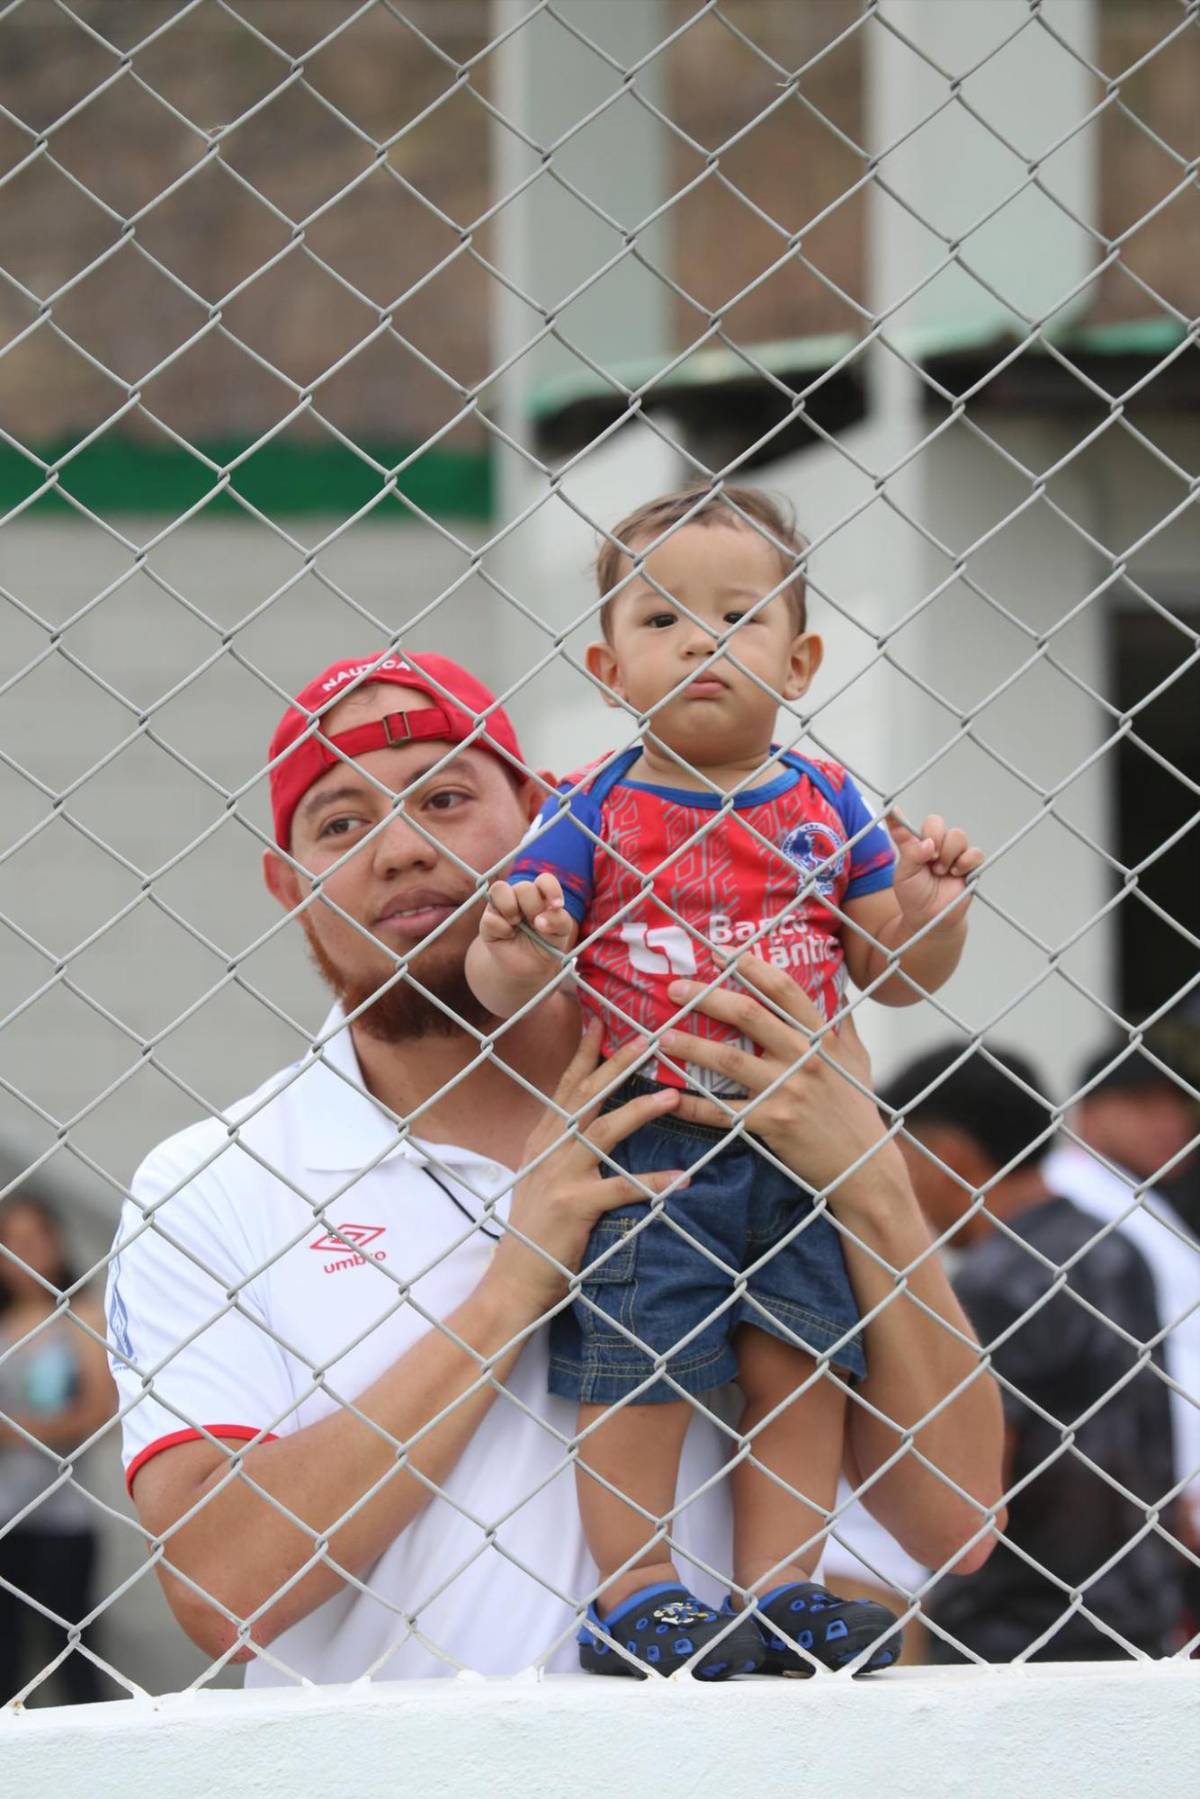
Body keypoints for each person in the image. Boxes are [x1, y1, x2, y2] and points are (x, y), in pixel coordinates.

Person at [106, 649, 1005, 1687]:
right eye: (341, 823)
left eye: (444, 798)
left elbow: (958, 1520)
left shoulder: (752, 1100)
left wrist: (873, 1181)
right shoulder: (217, 1178)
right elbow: (223, 1588)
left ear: (545, 816)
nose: (400, 849)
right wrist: (511, 1290)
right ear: (287, 881)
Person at [466, 486, 985, 1676]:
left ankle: (778, 1586)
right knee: (638, 1354)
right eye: (661, 620)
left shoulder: (829, 803)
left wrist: (934, 913)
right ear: (606, 664)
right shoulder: (593, 807)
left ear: (799, 659)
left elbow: (890, 968)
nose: (702, 640)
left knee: (802, 1354)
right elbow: (503, 983)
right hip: (652, 1133)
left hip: (804, 1138)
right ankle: (637, 1581)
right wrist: (521, 936)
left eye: (741, 617)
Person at [882, 1043, 1183, 1662]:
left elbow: (972, 1476)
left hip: (1017, 1624)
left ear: (949, 1156)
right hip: (1138, 1604)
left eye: (901, 1156)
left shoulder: (996, 1279)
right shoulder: (1111, 1248)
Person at [1043, 1043, 1200, 1596]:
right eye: (1142, 1104)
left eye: (1178, 1106)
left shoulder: (1136, 1197)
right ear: (1088, 1109)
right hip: (1138, 1498)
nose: (1169, 1123)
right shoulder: (1069, 1192)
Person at [1, 1194, 116, 1705]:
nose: (27, 1253)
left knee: (74, 1659)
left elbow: (98, 1411)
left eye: (37, 1238)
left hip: (64, 1517)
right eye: (13, 1243)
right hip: (3, 1517)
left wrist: (16, 1430)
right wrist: (45, 1426)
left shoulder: (81, 1316)